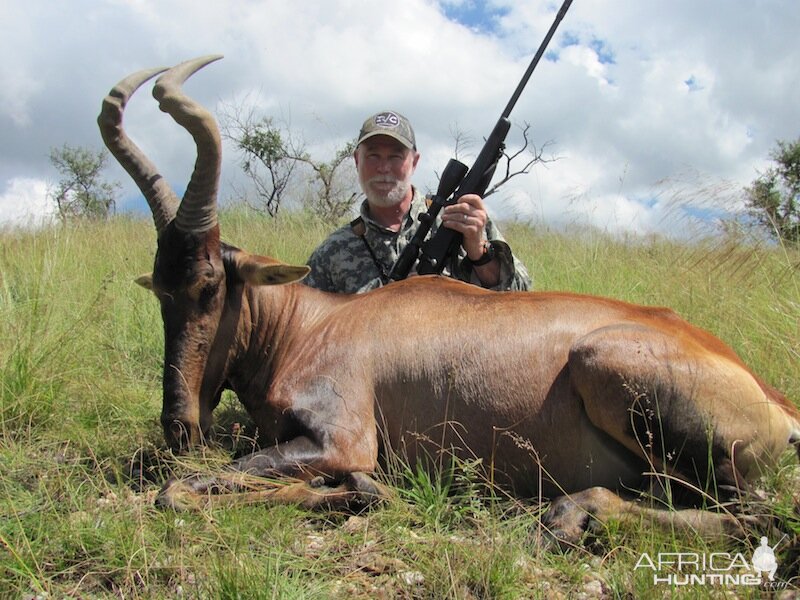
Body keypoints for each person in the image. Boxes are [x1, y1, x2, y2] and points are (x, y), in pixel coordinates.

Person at [304, 111, 531, 294]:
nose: (384, 168)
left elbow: (522, 296)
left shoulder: (461, 218)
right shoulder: (332, 252)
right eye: (373, 156)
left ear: (414, 162)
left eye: (395, 156)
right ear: (357, 160)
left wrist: (480, 254)